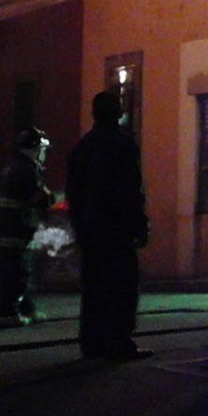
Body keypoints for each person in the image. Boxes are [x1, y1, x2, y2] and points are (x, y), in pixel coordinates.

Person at [67, 91, 151, 361]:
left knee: (93, 286)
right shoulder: (123, 144)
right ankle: (118, 341)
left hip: (91, 228)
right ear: (117, 112)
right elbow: (130, 188)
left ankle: (92, 343)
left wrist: (80, 224)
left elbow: (74, 190)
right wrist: (139, 223)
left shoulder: (84, 146)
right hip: (117, 227)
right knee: (122, 285)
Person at [0, 126, 58, 328]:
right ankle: (8, 313)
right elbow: (40, 197)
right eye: (42, 148)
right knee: (17, 273)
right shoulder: (27, 170)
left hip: (4, 228)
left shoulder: (12, 166)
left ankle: (26, 308)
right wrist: (51, 199)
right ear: (35, 148)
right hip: (15, 230)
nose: (44, 153)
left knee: (16, 270)